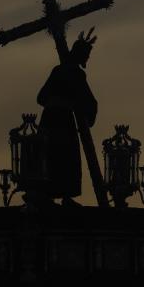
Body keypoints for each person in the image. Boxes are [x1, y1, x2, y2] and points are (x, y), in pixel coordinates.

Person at [37, 29, 98, 205]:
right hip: (60, 121)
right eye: (86, 56)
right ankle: (60, 195)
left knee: (56, 156)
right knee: (62, 156)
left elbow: (42, 97)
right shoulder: (75, 74)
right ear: (81, 55)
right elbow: (88, 100)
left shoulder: (60, 70)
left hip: (51, 120)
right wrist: (76, 106)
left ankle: (55, 194)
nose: (86, 60)